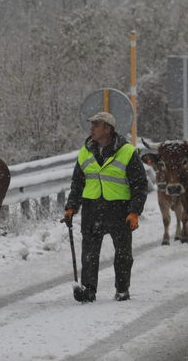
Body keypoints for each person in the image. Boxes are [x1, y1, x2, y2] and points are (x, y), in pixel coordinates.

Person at [62, 111, 148, 303]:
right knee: (90, 253)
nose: (91, 128)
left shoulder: (127, 152)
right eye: (91, 125)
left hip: (119, 209)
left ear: (107, 129)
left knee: (123, 254)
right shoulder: (85, 152)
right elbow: (77, 183)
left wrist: (134, 212)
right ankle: (89, 289)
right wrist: (71, 207)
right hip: (92, 208)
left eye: (96, 125)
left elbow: (140, 185)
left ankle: (122, 289)